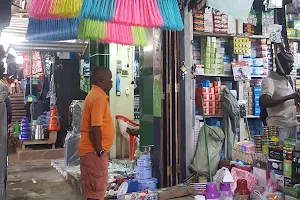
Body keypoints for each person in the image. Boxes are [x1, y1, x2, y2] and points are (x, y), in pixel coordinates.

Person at [78, 67, 114, 200]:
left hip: (92, 152)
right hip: (94, 152)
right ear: (101, 79)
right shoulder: (98, 97)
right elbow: (95, 128)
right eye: (109, 79)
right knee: (95, 192)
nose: (111, 82)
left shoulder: (95, 95)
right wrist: (100, 151)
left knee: (93, 192)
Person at [260, 43, 300, 145]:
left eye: (292, 63)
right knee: (280, 157)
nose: (292, 66)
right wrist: (289, 97)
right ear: (279, 64)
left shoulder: (289, 79)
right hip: (278, 129)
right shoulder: (269, 81)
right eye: (289, 63)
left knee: (291, 157)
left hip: (292, 126)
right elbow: (264, 102)